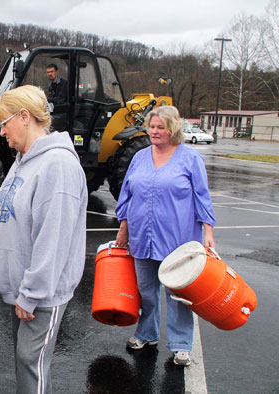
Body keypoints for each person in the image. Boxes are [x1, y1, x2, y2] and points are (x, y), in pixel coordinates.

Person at [0, 85, 87, 393]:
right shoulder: (24, 160)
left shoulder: (58, 165)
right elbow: (12, 211)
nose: (2, 131)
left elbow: (54, 238)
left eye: (4, 122)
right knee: (25, 360)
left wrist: (32, 293)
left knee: (31, 362)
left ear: (25, 117)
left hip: (40, 291)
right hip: (22, 286)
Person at [114, 105, 216, 367]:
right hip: (141, 237)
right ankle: (146, 333)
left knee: (178, 293)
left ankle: (181, 344)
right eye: (152, 127)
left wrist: (208, 232)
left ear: (173, 129)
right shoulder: (139, 157)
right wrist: (123, 229)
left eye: (161, 127)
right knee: (146, 290)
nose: (155, 132)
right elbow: (127, 195)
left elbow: (202, 197)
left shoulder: (190, 159)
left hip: (177, 239)